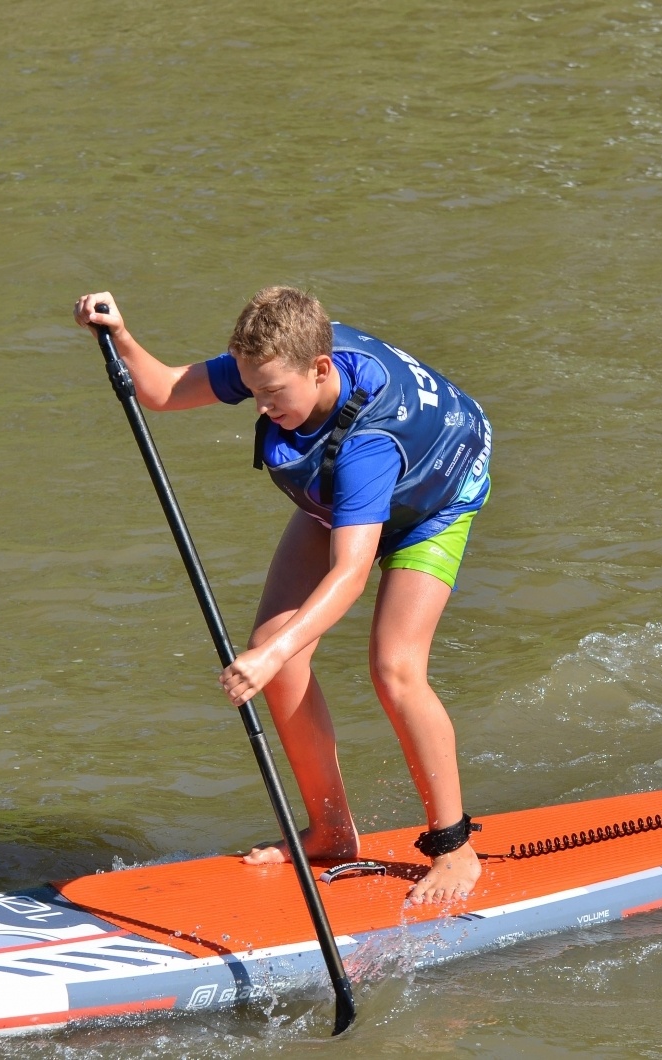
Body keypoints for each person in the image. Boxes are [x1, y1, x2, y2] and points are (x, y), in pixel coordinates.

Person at [73, 286, 492, 904]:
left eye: (273, 394)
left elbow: (350, 574)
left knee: (395, 669)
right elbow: (160, 391)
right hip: (346, 498)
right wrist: (117, 336)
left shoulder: (369, 446)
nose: (263, 407)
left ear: (320, 368)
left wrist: (267, 661)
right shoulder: (277, 358)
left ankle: (455, 850)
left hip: (433, 496)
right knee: (275, 646)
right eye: (253, 391)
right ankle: (331, 830)